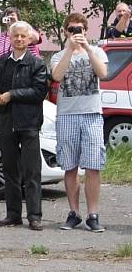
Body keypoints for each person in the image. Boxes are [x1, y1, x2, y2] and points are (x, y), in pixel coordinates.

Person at [50, 12, 108, 232]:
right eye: (72, 29)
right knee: (70, 165)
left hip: (92, 114)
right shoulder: (58, 55)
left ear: (86, 31)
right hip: (67, 115)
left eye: (80, 29)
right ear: (66, 31)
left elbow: (102, 73)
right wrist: (70, 49)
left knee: (94, 166)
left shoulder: (98, 52)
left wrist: (87, 48)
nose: (76, 33)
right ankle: (74, 212)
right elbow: (57, 76)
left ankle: (93, 214)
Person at [0, 21, 48, 231]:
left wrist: (12, 95)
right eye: (16, 36)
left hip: (29, 123)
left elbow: (39, 92)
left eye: (23, 36)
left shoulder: (37, 63)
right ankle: (13, 214)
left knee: (32, 172)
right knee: (10, 171)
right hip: (6, 121)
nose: (20, 39)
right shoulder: (1, 62)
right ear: (10, 38)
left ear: (29, 39)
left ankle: (34, 216)